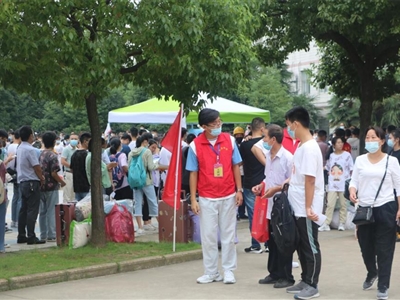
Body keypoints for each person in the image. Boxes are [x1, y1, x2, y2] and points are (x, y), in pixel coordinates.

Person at [186, 108, 243, 284]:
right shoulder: (195, 145)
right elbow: (193, 173)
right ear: (204, 126)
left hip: (228, 194)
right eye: (214, 123)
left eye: (219, 121)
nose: (219, 125)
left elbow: (236, 166)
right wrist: (194, 199)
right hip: (206, 196)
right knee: (209, 236)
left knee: (228, 235)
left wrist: (239, 190)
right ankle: (211, 272)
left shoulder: (230, 140)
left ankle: (228, 270)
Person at [349, 126, 400, 300]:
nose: (370, 141)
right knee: (366, 246)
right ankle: (372, 272)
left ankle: (383, 285)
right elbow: (353, 180)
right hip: (365, 209)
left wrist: (399, 208)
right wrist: (352, 190)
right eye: (368, 138)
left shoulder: (391, 161)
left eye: (374, 138)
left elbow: (398, 187)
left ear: (382, 141)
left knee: (385, 249)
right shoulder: (360, 160)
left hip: (386, 207)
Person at [284, 107, 323, 299]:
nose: (288, 129)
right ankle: (305, 279)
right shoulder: (301, 145)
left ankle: (313, 284)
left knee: (310, 245)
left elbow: (310, 180)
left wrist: (308, 207)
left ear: (296, 124)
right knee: (301, 244)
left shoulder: (309, 148)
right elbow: (299, 176)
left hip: (305, 206)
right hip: (297, 203)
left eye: (288, 125)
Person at [252, 124, 294, 288]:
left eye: (265, 138)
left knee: (284, 241)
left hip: (282, 206)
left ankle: (286, 276)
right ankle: (274, 273)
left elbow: (292, 181)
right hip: (269, 205)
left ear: (273, 139)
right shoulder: (268, 156)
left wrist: (277, 188)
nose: (264, 141)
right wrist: (260, 186)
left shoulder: (288, 158)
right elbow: (267, 177)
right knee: (273, 241)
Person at [239, 118, 267, 253]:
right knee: (267, 212)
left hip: (249, 182)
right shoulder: (266, 143)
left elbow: (240, 162)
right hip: (265, 182)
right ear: (262, 129)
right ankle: (268, 243)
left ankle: (255, 244)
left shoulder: (244, 144)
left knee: (252, 214)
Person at [16, 125, 46, 245]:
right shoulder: (30, 149)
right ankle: (31, 236)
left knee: (23, 209)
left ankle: (21, 234)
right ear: (30, 136)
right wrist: (41, 177)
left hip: (22, 181)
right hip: (31, 181)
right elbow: (36, 166)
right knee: (32, 210)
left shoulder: (20, 148)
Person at [129, 134, 162, 235]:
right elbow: (151, 167)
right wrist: (158, 165)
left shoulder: (131, 152)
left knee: (138, 203)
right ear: (144, 142)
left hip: (135, 181)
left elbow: (129, 165)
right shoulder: (147, 151)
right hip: (146, 180)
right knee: (153, 202)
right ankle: (163, 225)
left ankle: (140, 227)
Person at [319, 136, 353, 232]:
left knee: (343, 204)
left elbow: (351, 168)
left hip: (343, 184)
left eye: (341, 142)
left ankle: (342, 223)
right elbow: (327, 167)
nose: (340, 144)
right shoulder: (331, 156)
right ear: (333, 145)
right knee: (330, 204)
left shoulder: (347, 155)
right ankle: (326, 223)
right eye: (338, 142)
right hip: (332, 184)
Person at [39, 131, 66, 242]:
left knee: (42, 211)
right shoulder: (53, 155)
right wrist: (62, 182)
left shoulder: (40, 154)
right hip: (51, 186)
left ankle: (43, 234)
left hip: (41, 186)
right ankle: (52, 234)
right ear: (54, 141)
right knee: (51, 210)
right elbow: (54, 173)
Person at [70, 132, 91, 201]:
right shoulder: (88, 155)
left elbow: (71, 169)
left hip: (77, 187)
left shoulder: (74, 155)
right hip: (86, 187)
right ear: (85, 141)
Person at [7, 130, 21, 228]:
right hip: (19, 173)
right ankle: (18, 220)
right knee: (20, 197)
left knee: (15, 198)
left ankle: (13, 219)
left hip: (12, 173)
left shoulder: (10, 146)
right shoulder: (18, 147)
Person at [233, 126, 247, 220]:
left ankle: (241, 213)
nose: (238, 136)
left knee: (241, 194)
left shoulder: (244, 143)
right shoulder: (233, 144)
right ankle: (236, 213)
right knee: (235, 194)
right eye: (237, 135)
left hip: (243, 174)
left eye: (240, 135)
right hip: (235, 173)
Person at [61, 133, 79, 202]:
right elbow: (63, 161)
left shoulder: (77, 150)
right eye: (72, 139)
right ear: (69, 140)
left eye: (75, 139)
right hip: (68, 173)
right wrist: (72, 167)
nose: (73, 140)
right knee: (68, 194)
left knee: (73, 195)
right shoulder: (66, 149)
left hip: (76, 174)